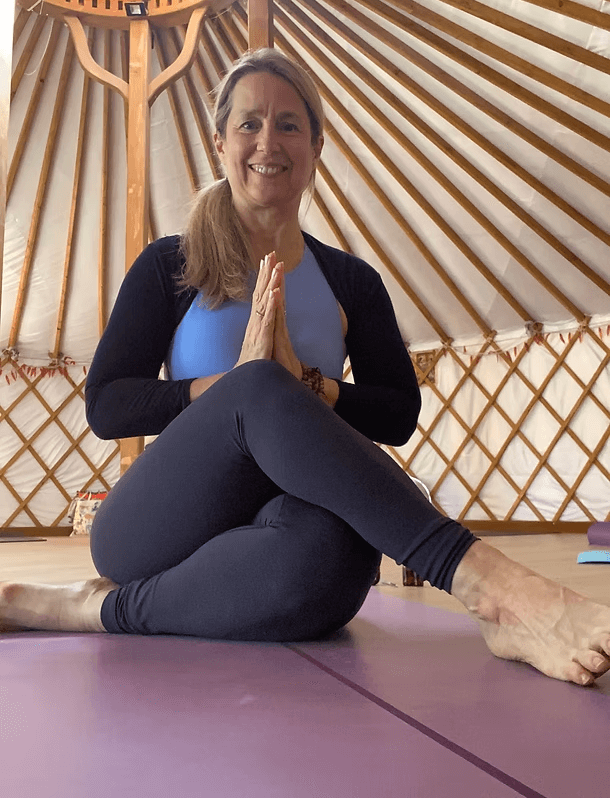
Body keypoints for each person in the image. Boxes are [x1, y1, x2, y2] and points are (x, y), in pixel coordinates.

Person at [1, 49, 609, 688]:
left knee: (339, 562)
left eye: (290, 124)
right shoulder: (169, 265)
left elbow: (399, 413)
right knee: (256, 384)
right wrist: (229, 386)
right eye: (249, 124)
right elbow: (107, 405)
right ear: (220, 143)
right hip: (158, 529)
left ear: (317, 146)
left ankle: (95, 607)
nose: (269, 141)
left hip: (285, 526)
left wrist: (312, 387)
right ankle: (493, 589)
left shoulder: (352, 281)